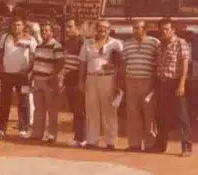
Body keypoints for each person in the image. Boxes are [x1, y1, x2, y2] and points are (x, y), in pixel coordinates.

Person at [79, 19, 123, 149]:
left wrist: (116, 77)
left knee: (109, 110)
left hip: (108, 79)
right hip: (91, 77)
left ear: (110, 29)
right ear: (96, 29)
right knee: (91, 109)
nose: (102, 30)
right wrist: (81, 81)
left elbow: (120, 64)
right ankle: (92, 140)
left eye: (105, 28)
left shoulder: (116, 44)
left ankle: (111, 142)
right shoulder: (87, 43)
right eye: (100, 27)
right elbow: (82, 63)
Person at [151, 18, 192, 156]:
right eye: (162, 29)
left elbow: (185, 65)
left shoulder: (181, 43)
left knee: (181, 115)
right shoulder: (160, 46)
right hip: (162, 83)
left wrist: (181, 84)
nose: (164, 31)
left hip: (175, 83)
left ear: (173, 29)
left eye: (167, 29)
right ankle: (160, 145)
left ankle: (186, 147)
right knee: (161, 115)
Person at [0, 18, 36, 139]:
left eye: (19, 25)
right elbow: (0, 54)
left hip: (22, 76)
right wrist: (0, 69)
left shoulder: (31, 40)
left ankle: (23, 128)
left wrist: (29, 71)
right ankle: (1, 128)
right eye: (14, 25)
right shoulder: (5, 37)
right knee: (4, 102)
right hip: (7, 74)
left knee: (23, 102)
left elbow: (34, 57)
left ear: (23, 26)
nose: (16, 27)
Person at [122, 20, 159, 152]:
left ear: (145, 29)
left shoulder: (154, 43)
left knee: (149, 113)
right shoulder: (127, 44)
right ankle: (134, 144)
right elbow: (124, 63)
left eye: (138, 28)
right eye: (134, 28)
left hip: (147, 81)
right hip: (131, 80)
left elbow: (158, 62)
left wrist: (155, 82)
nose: (135, 30)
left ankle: (150, 144)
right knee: (132, 113)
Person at [30, 22, 64, 143]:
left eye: (47, 30)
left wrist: (53, 76)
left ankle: (51, 134)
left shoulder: (56, 45)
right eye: (43, 30)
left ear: (52, 32)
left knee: (52, 109)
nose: (44, 32)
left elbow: (60, 63)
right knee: (38, 108)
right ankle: (37, 133)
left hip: (49, 81)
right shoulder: (39, 46)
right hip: (38, 80)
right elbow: (36, 62)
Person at [61, 17, 87, 147]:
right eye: (67, 26)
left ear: (77, 27)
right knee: (74, 110)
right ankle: (78, 137)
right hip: (69, 79)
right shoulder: (68, 42)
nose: (68, 29)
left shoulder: (82, 42)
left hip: (77, 80)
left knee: (79, 110)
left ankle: (81, 138)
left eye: (70, 26)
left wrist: (81, 81)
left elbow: (84, 63)